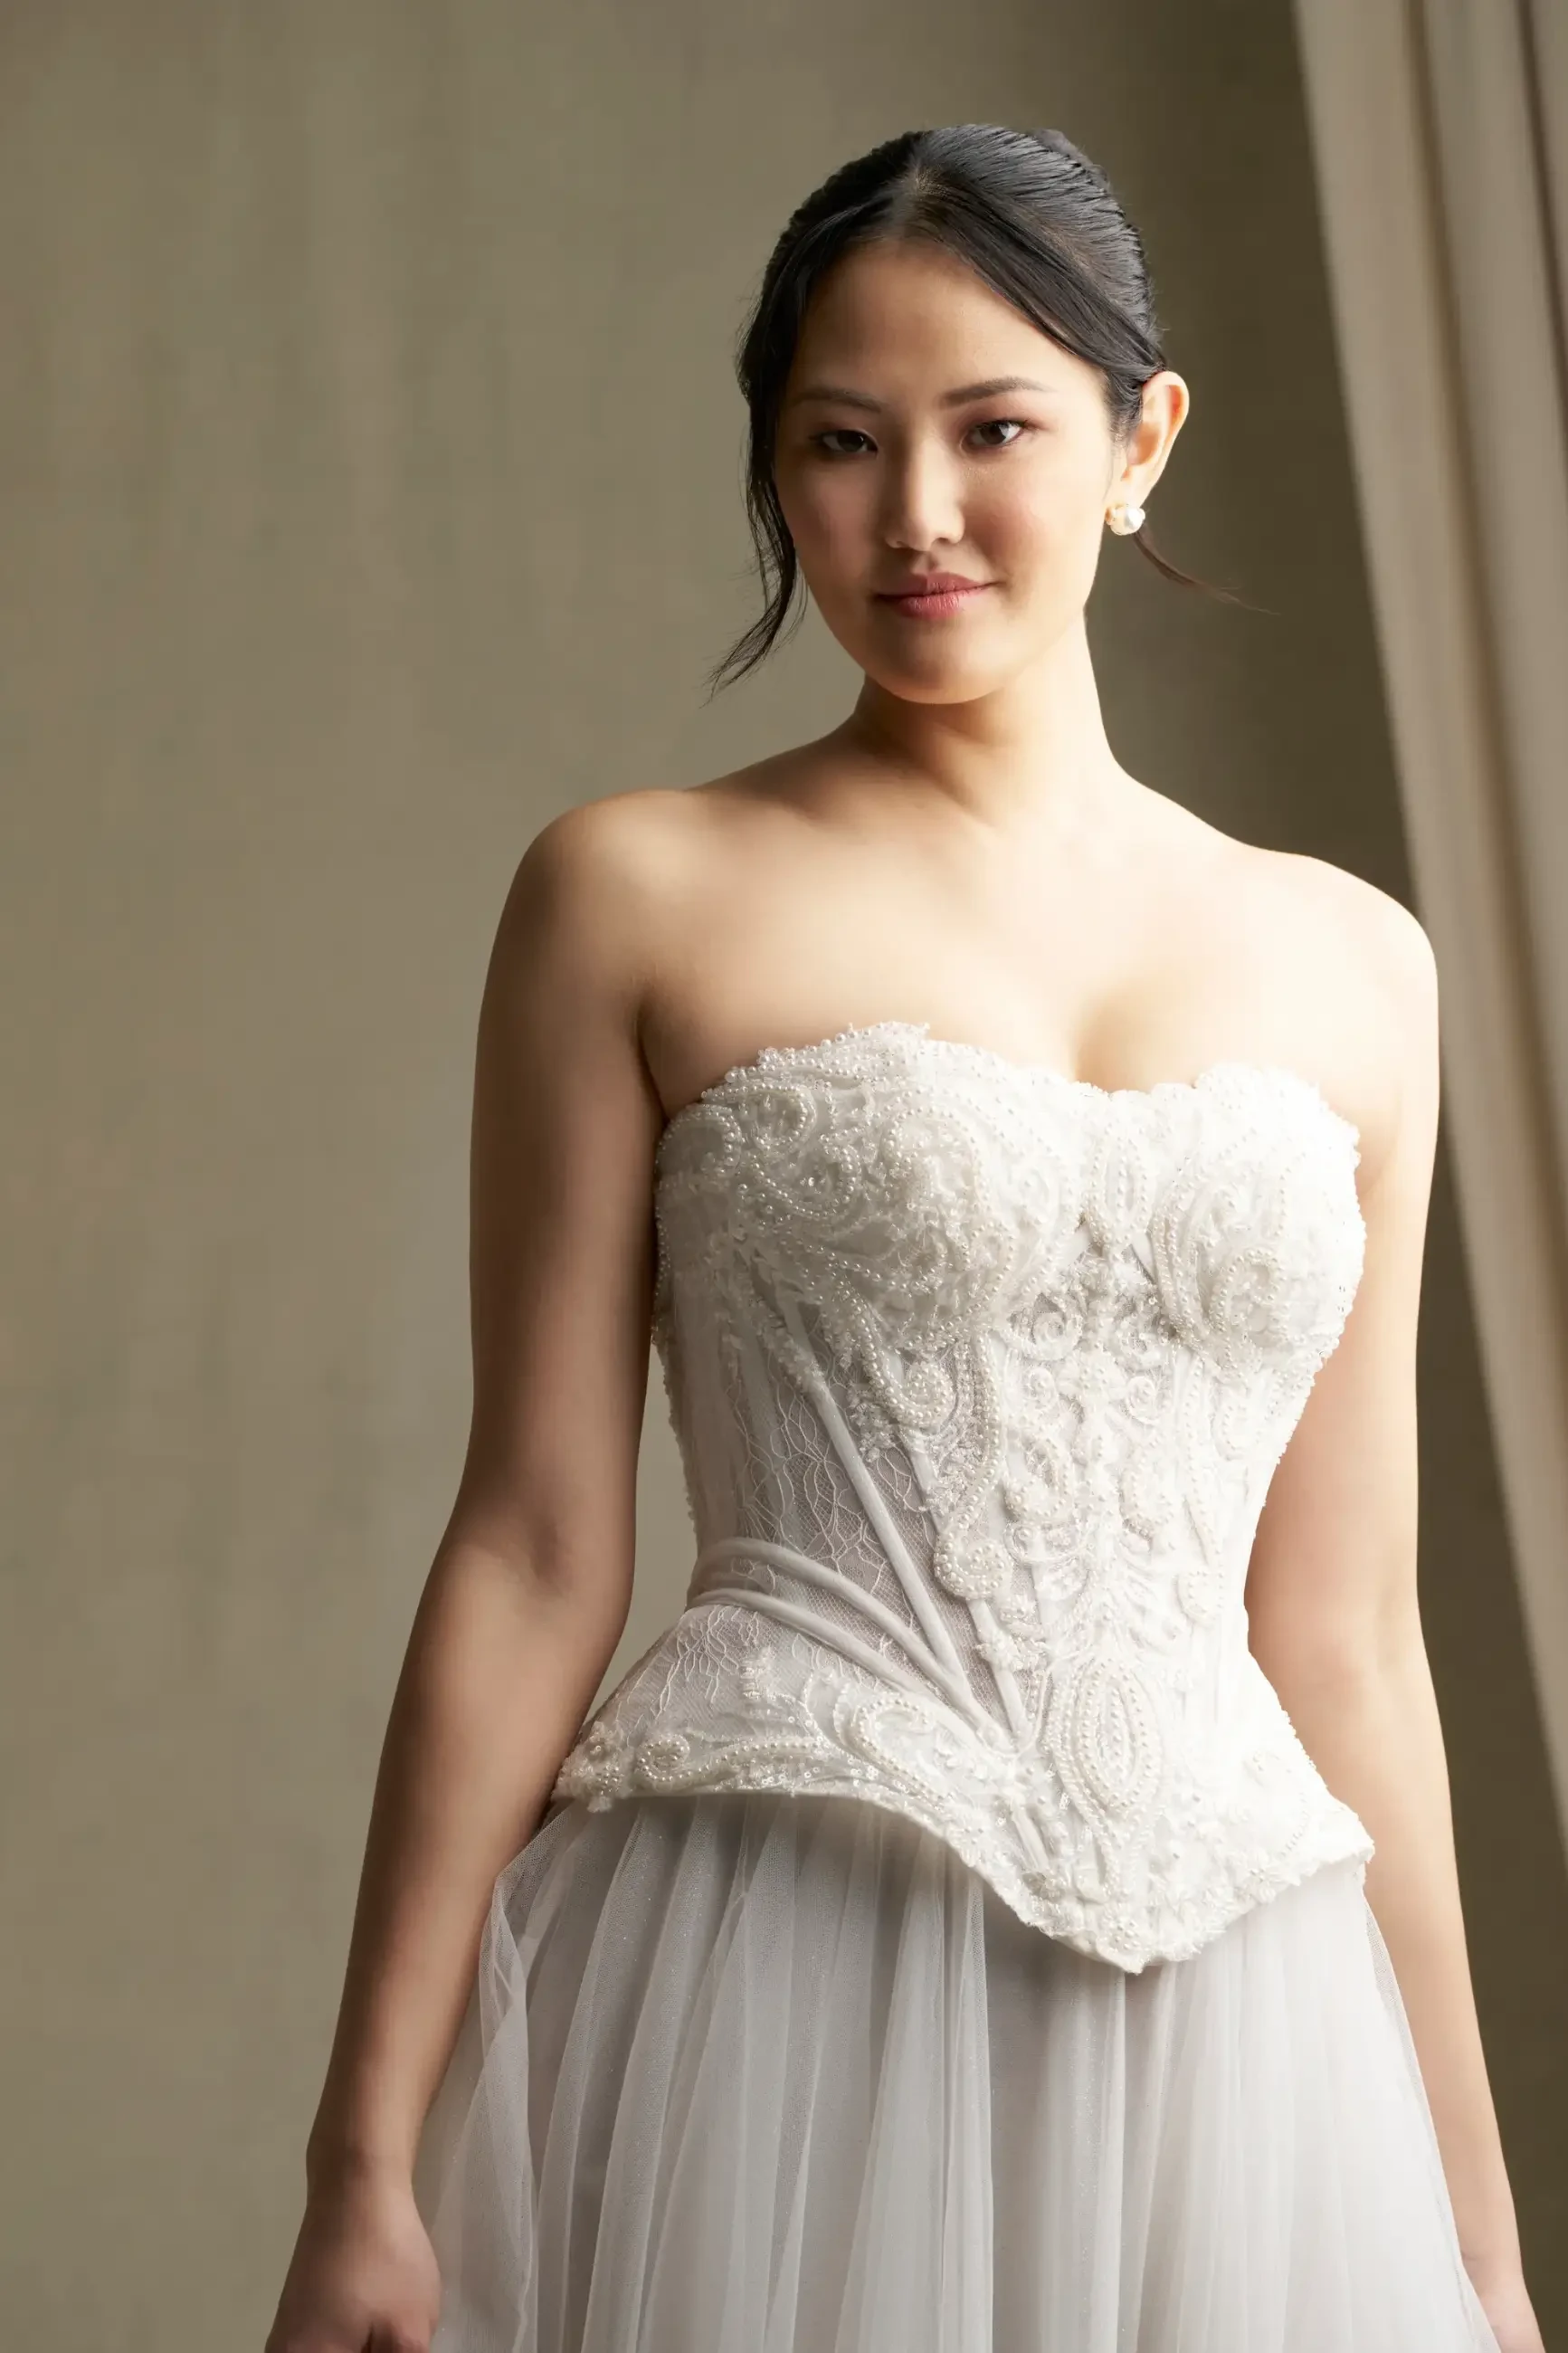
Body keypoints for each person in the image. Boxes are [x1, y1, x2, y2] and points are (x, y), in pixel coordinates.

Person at [263, 124, 1542, 2353]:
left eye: (992, 429)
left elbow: (1340, 1636)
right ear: (773, 470)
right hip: (786, 1967)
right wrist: (362, 2162)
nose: (917, 514)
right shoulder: (634, 892)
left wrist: (1475, 2229)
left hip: (1242, 2024)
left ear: (1138, 443)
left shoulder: (1356, 965)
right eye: (839, 443)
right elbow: (535, 1549)